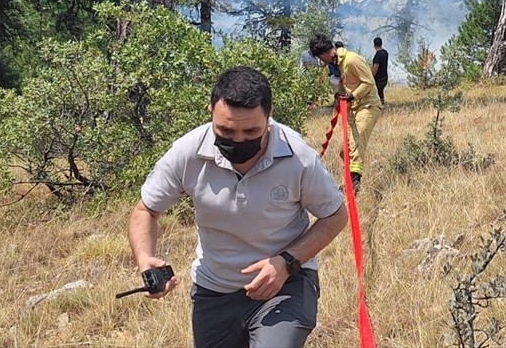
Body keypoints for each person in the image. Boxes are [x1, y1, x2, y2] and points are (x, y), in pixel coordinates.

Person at [127, 66, 347, 348]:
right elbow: (146, 210)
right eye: (226, 130)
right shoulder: (188, 152)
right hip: (214, 289)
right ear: (211, 111)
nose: (239, 140)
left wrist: (287, 261)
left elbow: (335, 215)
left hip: (285, 285)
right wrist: (145, 258)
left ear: (269, 115)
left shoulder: (298, 157)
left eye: (251, 130)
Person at [309, 34, 382, 188]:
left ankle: (354, 185)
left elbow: (368, 82)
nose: (322, 63)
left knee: (356, 141)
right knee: (344, 150)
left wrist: (352, 96)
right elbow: (346, 85)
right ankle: (350, 180)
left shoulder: (351, 60)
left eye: (322, 59)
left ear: (325, 54)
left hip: (368, 106)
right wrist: (340, 94)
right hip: (353, 108)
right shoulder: (338, 64)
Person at [372, 36, 389, 105]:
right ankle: (382, 104)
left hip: (378, 79)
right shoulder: (385, 52)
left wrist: (371, 77)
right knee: (380, 92)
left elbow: (375, 67)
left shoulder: (378, 55)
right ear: (381, 43)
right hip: (384, 77)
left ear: (374, 45)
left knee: (376, 93)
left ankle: (379, 106)